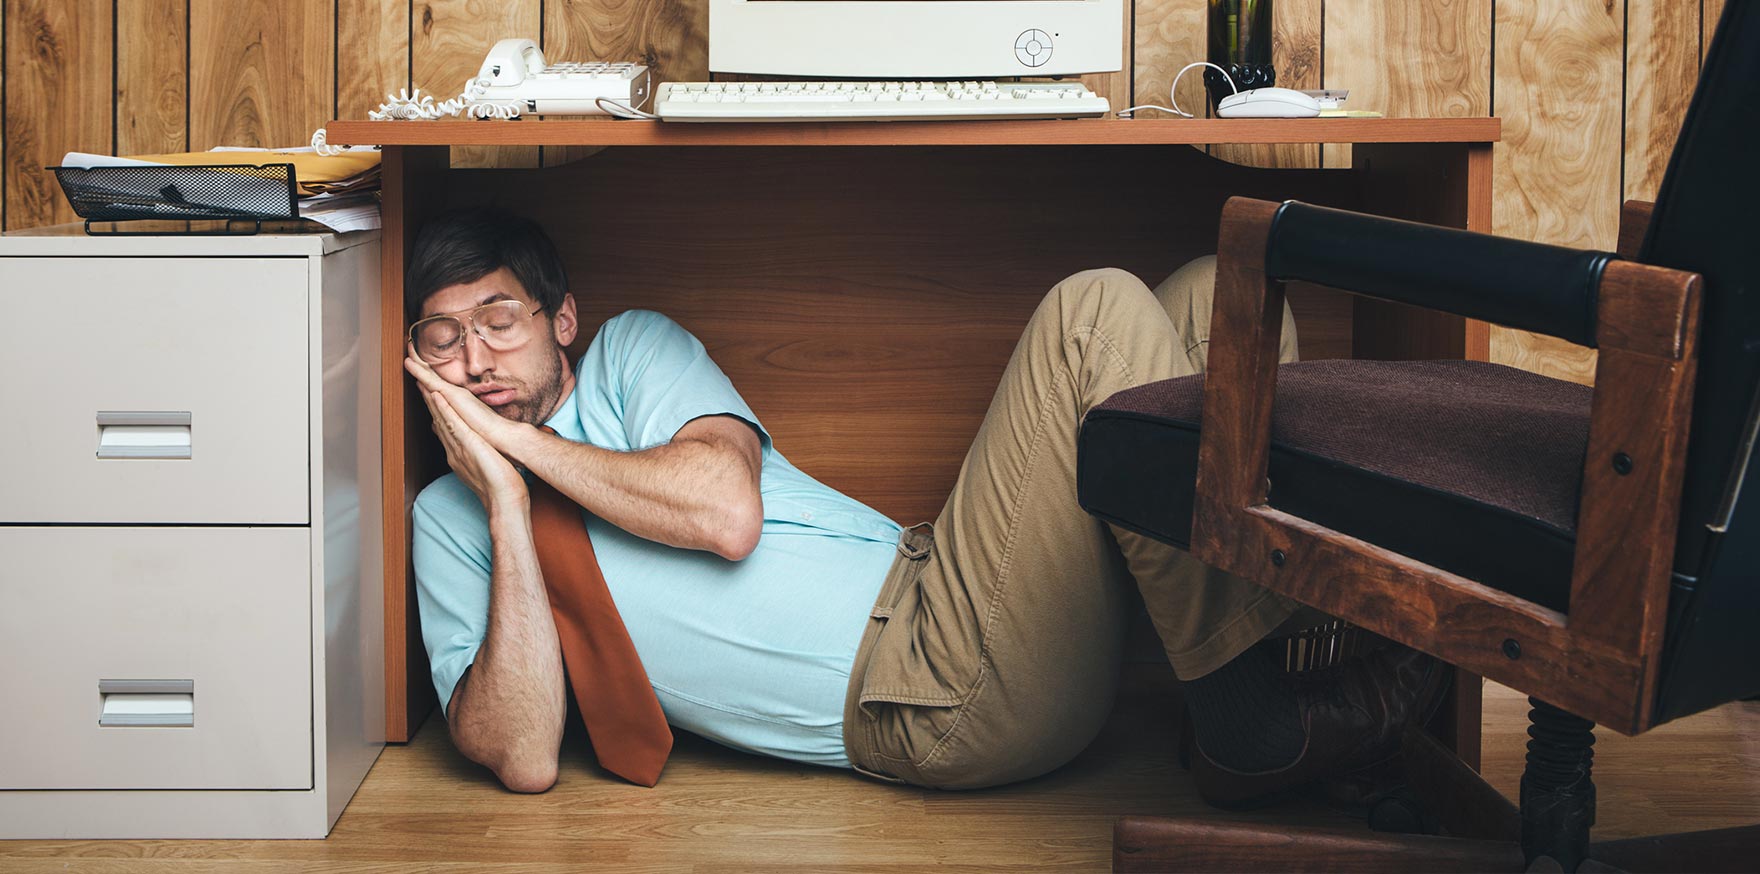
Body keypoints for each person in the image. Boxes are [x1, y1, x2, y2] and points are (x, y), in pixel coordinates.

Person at [406, 208, 1442, 799]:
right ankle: (1253, 716)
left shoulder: (631, 352)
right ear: (419, 366)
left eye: (499, 319)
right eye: (443, 339)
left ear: (563, 321)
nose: (477, 357)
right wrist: (502, 496)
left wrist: (523, 444)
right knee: (1090, 315)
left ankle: (1250, 685)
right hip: (922, 693)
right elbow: (524, 755)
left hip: (946, 580)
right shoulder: (446, 525)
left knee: (1217, 294)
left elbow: (723, 506)